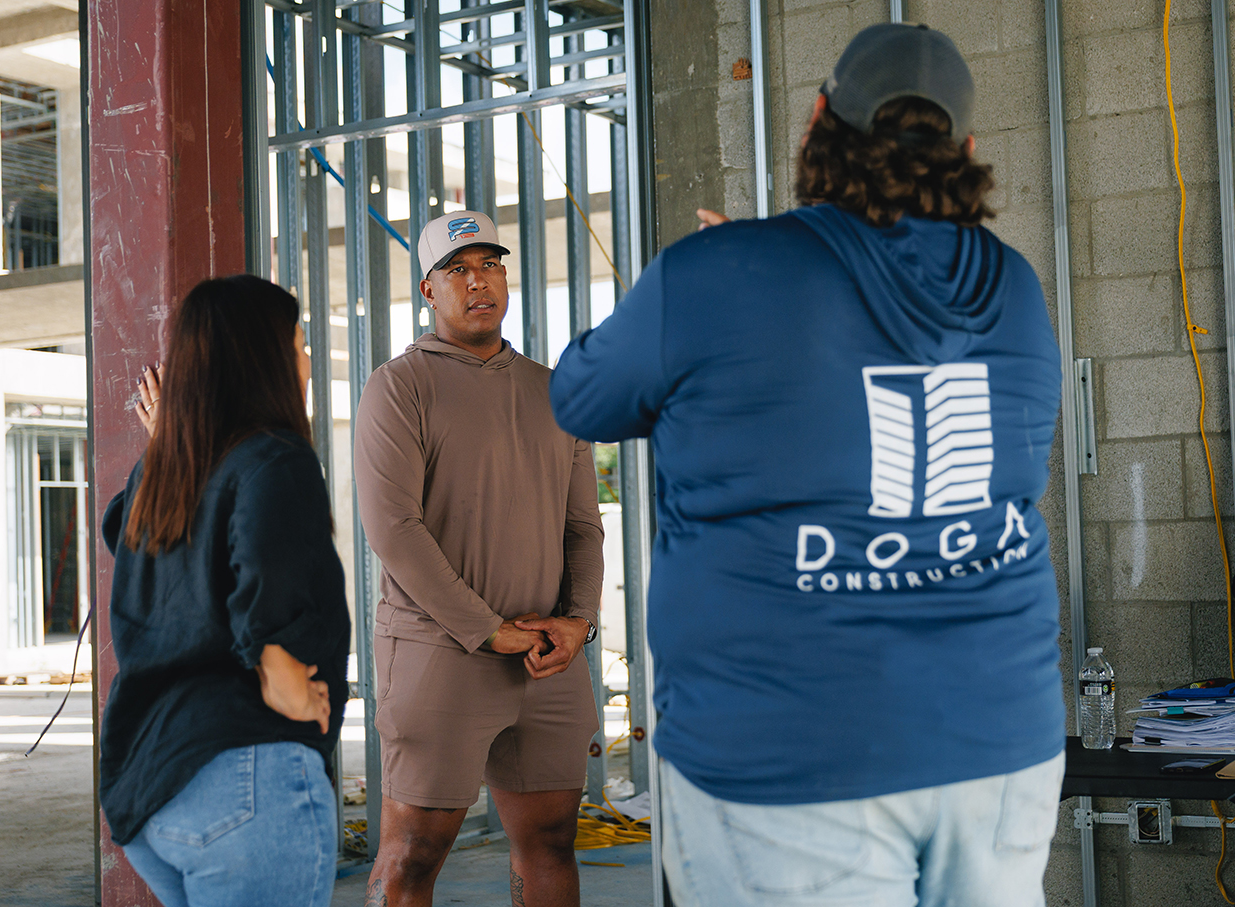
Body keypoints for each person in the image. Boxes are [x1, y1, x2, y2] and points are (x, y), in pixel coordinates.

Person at [549, 23, 1065, 907]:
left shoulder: (717, 272)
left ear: (818, 122)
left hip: (789, 748)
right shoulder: (1013, 285)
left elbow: (580, 397)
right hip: (999, 740)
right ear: (966, 150)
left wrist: (713, 288)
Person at [353, 210, 604, 907]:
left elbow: (582, 528)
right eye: (457, 270)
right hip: (441, 650)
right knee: (413, 853)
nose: (478, 281)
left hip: (547, 655)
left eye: (490, 265)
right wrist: (488, 629)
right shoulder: (399, 386)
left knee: (551, 841)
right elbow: (394, 528)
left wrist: (578, 621)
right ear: (429, 290)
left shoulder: (555, 390)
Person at [99, 275, 351, 907]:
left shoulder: (160, 472)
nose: (307, 361)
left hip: (151, 788)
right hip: (247, 777)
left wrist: (169, 445)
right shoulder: (277, 458)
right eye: (299, 344)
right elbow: (265, 568)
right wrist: (280, 669)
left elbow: (123, 535)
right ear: (262, 360)